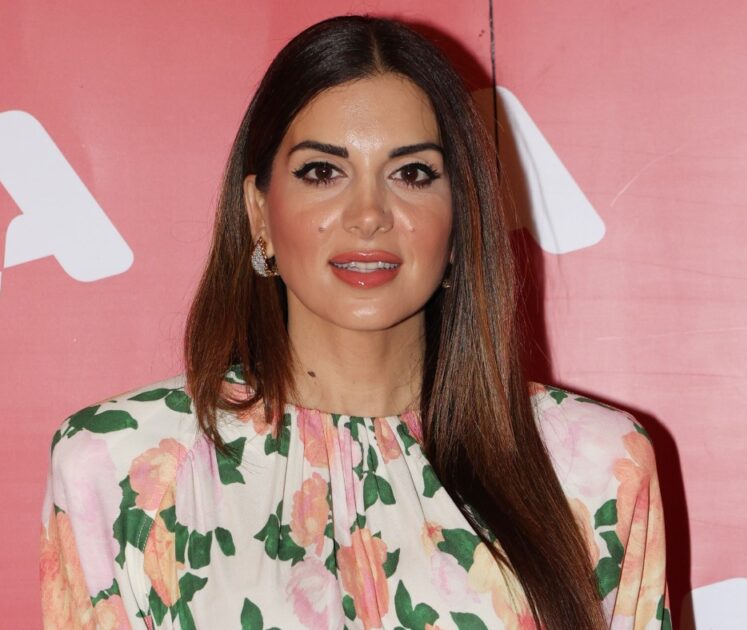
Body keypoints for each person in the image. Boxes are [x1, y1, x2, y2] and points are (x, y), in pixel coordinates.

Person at [40, 14, 670, 630]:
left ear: (460, 218)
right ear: (259, 212)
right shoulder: (118, 467)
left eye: (411, 174)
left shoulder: (595, 468)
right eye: (323, 172)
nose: (369, 214)